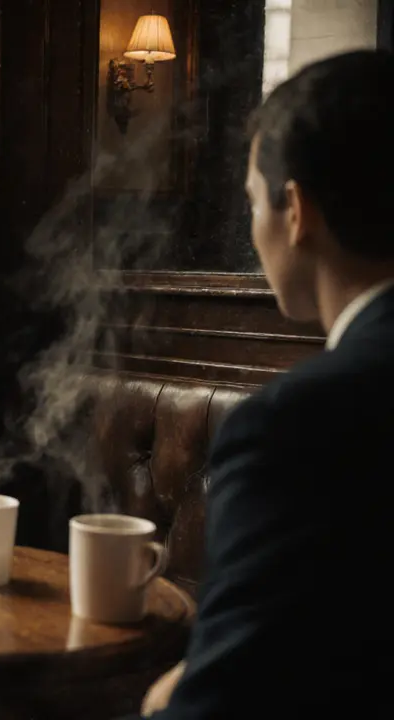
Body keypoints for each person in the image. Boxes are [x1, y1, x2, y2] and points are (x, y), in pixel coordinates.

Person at [135, 49, 394, 718]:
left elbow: (228, 701)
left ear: (296, 211)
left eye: (253, 202)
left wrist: (173, 698)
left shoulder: (296, 423)